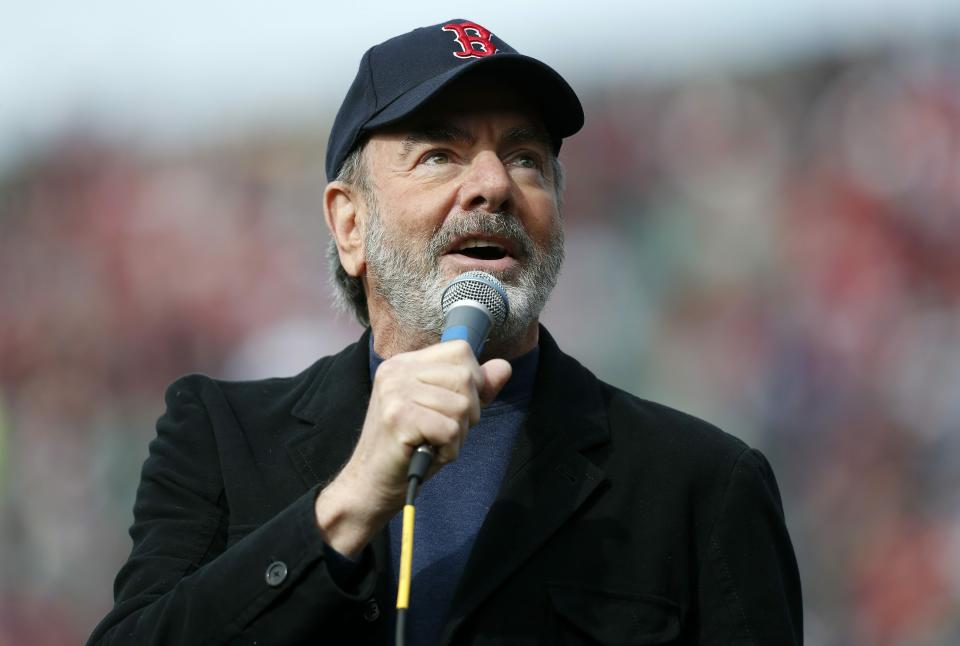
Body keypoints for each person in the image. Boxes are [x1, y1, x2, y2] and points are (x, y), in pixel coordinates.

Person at [88, 19, 802, 645]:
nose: (494, 183)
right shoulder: (219, 438)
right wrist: (348, 505)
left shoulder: (702, 485)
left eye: (526, 158)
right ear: (349, 223)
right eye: (441, 155)